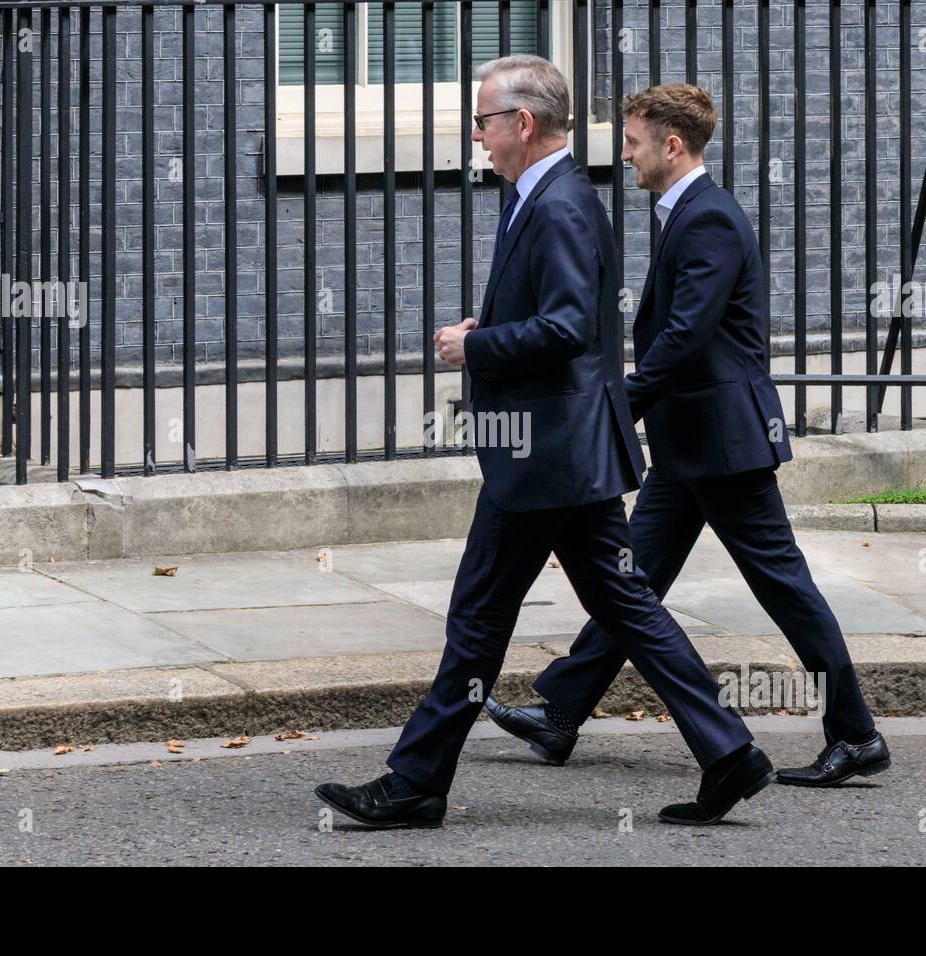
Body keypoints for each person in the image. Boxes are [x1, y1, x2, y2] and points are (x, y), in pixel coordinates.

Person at [314, 59, 774, 830]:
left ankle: (415, 780)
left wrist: (478, 344)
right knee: (625, 604)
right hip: (567, 447)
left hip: (547, 452)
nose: (479, 136)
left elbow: (565, 329)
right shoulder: (544, 196)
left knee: (478, 616)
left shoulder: (557, 204)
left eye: (485, 121)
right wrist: (486, 331)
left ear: (522, 123)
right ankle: (729, 752)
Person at [484, 83, 891, 789]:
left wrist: (616, 404)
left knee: (782, 585)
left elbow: (681, 340)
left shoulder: (709, 220)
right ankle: (561, 713)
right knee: (627, 583)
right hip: (688, 446)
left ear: (673, 145)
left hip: (724, 445)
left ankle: (854, 733)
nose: (628, 158)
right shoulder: (687, 215)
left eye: (636, 144)